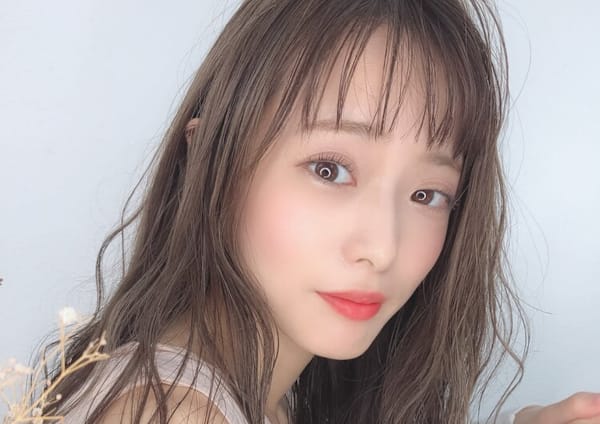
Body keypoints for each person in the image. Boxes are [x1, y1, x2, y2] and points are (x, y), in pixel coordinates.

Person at [36, 0, 600, 423]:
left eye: (427, 195)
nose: (382, 248)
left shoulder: (257, 399)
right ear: (209, 159)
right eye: (330, 169)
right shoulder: (173, 413)